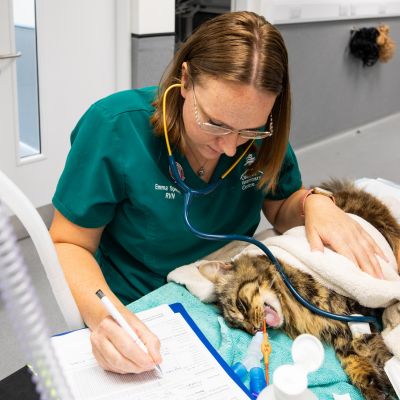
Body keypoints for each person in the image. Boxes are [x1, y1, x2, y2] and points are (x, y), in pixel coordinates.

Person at [49, 11, 386, 375]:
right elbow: (69, 244)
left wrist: (315, 202)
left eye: (249, 130)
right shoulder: (114, 128)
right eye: (214, 123)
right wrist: (105, 318)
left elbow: (281, 207)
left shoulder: (263, 137)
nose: (229, 147)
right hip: (140, 307)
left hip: (232, 299)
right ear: (185, 79)